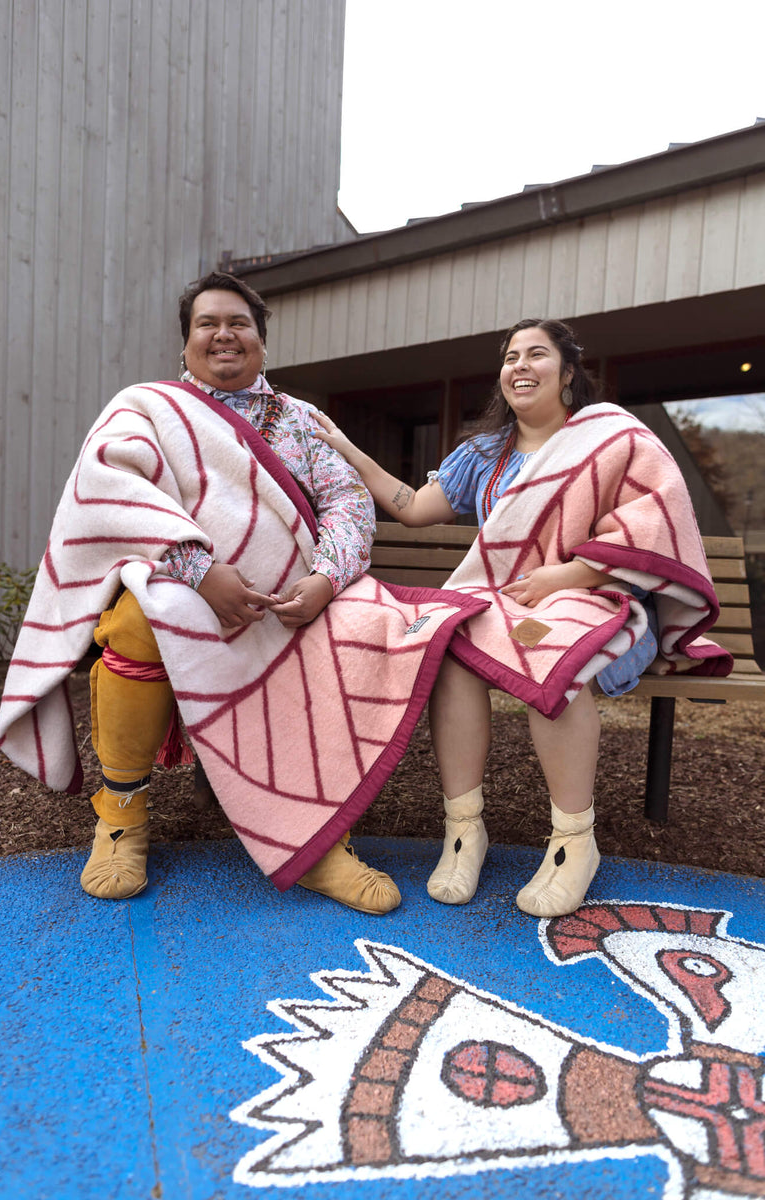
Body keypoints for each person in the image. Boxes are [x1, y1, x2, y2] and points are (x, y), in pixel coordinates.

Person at [0, 272, 437, 914]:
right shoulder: (145, 408)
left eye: (239, 324)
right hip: (179, 583)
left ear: (261, 343)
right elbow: (111, 494)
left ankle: (313, 835)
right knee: (139, 622)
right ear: (186, 345)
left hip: (291, 594)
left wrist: (323, 581)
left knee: (356, 628)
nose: (224, 334)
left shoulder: (302, 421)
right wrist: (200, 569)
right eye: (208, 324)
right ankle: (121, 816)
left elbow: (348, 504)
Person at [313, 318, 731, 918]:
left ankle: (574, 841)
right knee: (452, 649)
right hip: (505, 602)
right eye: (511, 357)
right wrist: (344, 447)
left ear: (567, 373)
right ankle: (464, 831)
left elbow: (653, 524)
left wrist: (565, 577)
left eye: (537, 354)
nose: (521, 366)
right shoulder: (484, 453)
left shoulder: (613, 437)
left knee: (551, 654)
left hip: (604, 601)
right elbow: (411, 507)